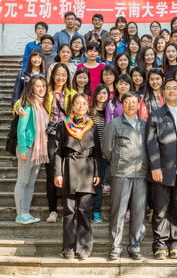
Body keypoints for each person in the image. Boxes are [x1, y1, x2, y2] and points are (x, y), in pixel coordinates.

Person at [146, 78, 177, 260]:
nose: (172, 91)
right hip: (162, 170)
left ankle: (175, 244)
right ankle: (159, 244)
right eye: (168, 88)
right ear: (163, 92)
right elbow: (151, 143)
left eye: (175, 88)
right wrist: (155, 166)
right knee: (160, 210)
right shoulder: (156, 115)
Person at [54, 93, 100, 260]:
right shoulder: (63, 125)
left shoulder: (92, 126)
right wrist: (58, 173)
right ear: (72, 106)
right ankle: (68, 248)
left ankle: (84, 248)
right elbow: (58, 151)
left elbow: (96, 152)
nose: (80, 106)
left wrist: (96, 173)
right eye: (77, 103)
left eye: (83, 103)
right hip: (68, 169)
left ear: (88, 107)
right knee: (69, 211)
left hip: (87, 169)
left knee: (84, 210)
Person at [102, 92, 148, 261]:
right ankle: (115, 247)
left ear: (138, 105)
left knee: (139, 212)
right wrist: (118, 161)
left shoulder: (145, 125)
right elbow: (106, 149)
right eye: (127, 102)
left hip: (141, 174)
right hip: (121, 173)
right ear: (121, 105)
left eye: (133, 102)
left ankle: (135, 246)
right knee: (118, 212)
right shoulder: (113, 124)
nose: (130, 104)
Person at [45, 63, 78, 223]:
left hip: (67, 136)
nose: (60, 77)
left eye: (64, 75)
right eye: (57, 74)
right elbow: (24, 100)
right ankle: (52, 210)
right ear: (52, 75)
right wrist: (18, 107)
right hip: (50, 136)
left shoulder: (72, 94)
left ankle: (68, 207)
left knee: (67, 172)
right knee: (52, 173)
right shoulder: (46, 92)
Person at [14, 75, 48, 224]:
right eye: (37, 86)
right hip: (27, 147)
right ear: (32, 88)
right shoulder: (28, 105)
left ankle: (26, 212)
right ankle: (20, 213)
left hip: (38, 149)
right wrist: (22, 148)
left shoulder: (42, 105)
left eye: (43, 86)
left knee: (31, 182)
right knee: (22, 181)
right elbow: (21, 129)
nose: (41, 89)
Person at [90, 84, 110, 224]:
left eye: (105, 93)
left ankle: (96, 211)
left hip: (104, 152)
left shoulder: (110, 111)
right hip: (91, 152)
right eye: (99, 93)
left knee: (99, 183)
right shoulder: (90, 111)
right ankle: (87, 210)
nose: (102, 96)